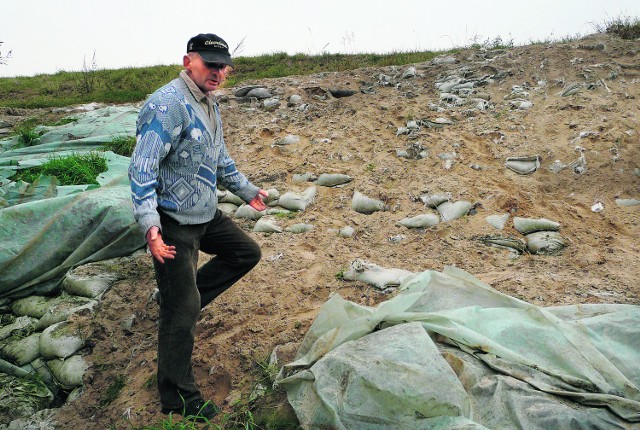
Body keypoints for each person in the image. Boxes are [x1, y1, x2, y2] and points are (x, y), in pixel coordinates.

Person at [128, 33, 267, 421]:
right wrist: (150, 226)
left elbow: (219, 158)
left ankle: (177, 303)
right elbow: (142, 168)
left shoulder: (209, 104)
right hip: (173, 222)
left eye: (223, 65)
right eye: (210, 64)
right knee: (182, 311)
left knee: (245, 253)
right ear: (188, 61)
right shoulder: (166, 105)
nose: (218, 72)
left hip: (205, 213)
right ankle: (177, 399)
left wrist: (247, 190)